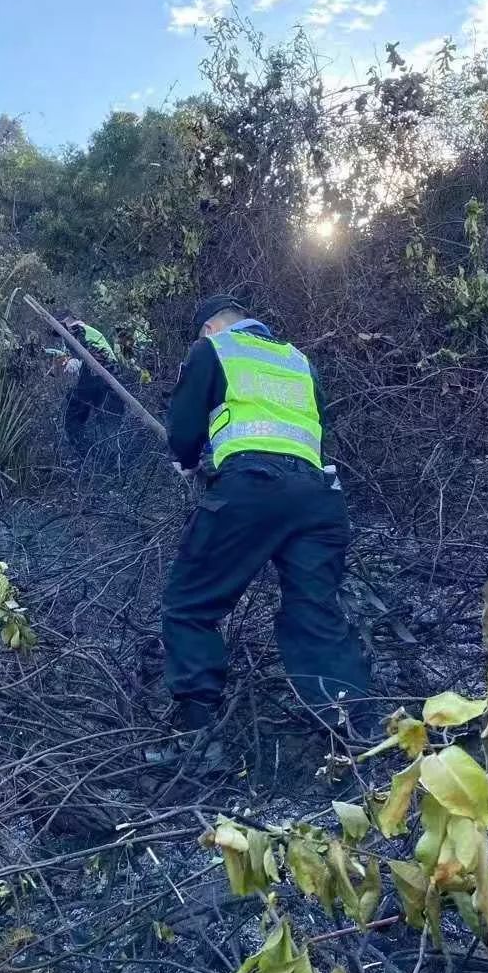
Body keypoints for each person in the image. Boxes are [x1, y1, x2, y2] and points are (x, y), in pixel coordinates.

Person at [155, 293, 372, 761]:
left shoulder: (212, 349)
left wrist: (187, 461)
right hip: (318, 497)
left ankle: (198, 742)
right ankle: (356, 732)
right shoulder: (297, 360)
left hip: (252, 489)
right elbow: (313, 428)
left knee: (189, 605)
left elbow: (184, 429)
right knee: (315, 613)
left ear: (211, 327)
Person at [57, 310, 123, 451]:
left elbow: (85, 356)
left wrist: (73, 362)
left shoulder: (77, 329)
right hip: (110, 375)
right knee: (109, 421)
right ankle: (110, 455)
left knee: (73, 413)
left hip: (99, 371)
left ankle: (88, 453)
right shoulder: (89, 331)